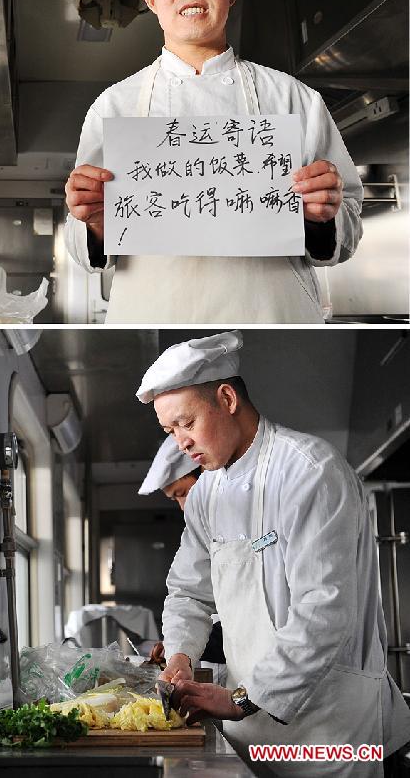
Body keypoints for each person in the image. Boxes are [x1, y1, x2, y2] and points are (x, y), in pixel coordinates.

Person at [65, 0, 363, 323]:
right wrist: (95, 223)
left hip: (272, 320)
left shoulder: (295, 100)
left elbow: (347, 228)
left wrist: (322, 216)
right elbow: (82, 250)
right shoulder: (114, 107)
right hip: (154, 318)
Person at [136, 331, 410, 777]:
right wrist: (181, 656)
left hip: (330, 731)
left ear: (226, 398)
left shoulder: (309, 472)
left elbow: (324, 614)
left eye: (187, 423)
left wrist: (243, 699)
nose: (180, 443)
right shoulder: (207, 494)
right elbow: (188, 592)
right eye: (170, 431)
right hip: (251, 730)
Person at [140, 437, 226, 682]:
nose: (183, 506)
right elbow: (189, 594)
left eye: (184, 493)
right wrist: (179, 650)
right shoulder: (202, 529)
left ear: (207, 473)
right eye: (174, 499)